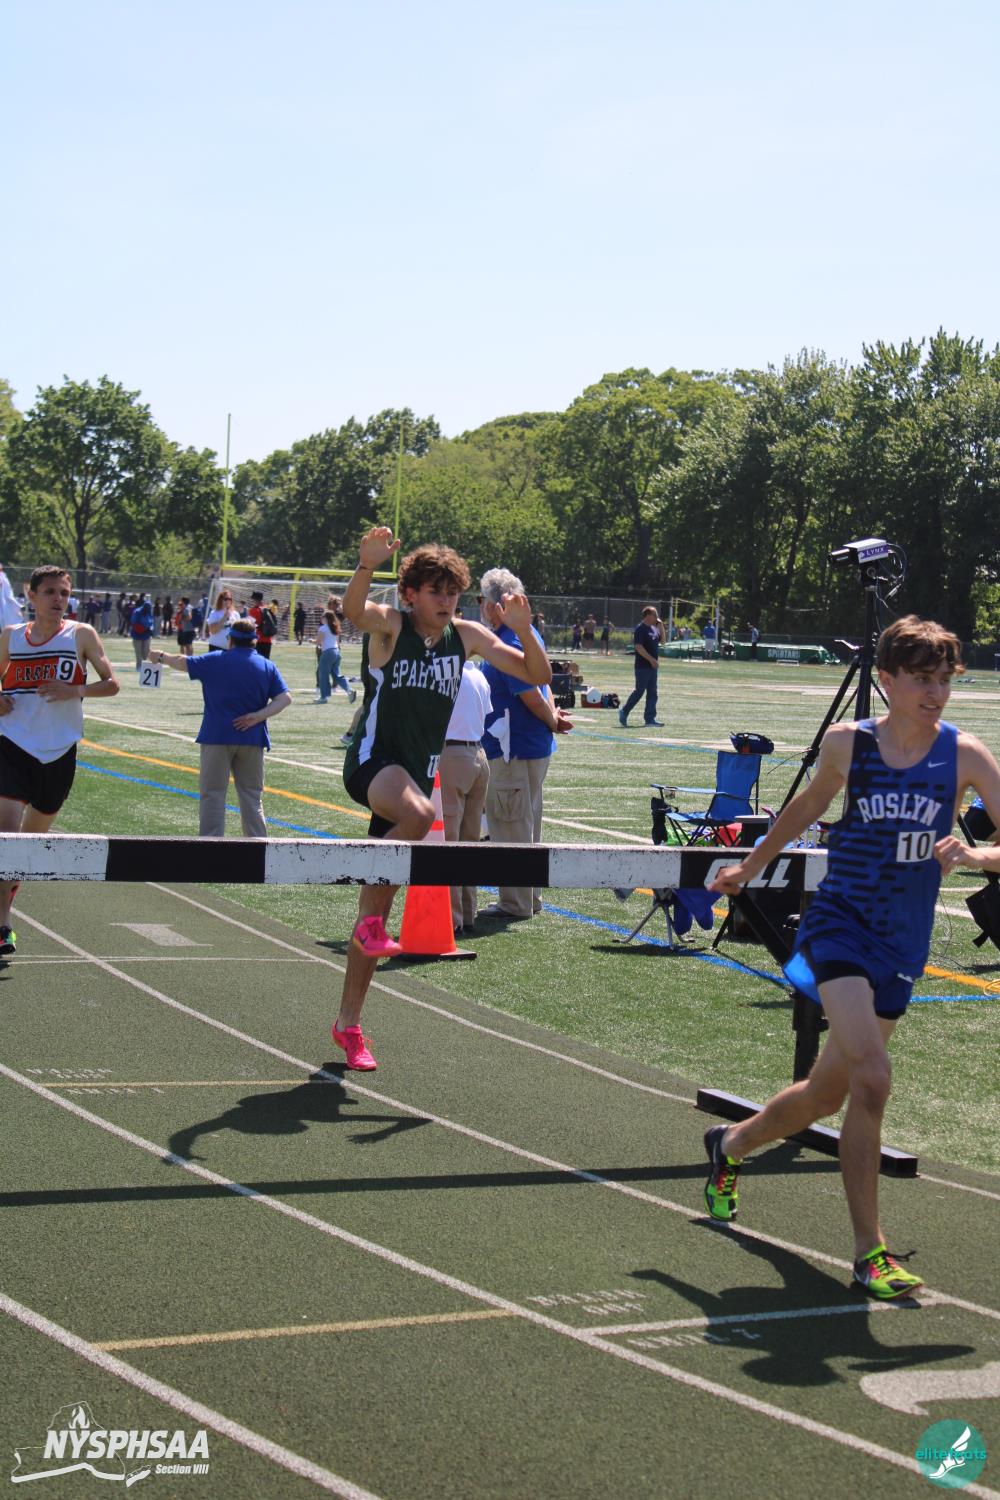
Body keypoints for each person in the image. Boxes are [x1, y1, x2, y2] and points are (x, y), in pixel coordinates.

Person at [703, 615, 1000, 1300]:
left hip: (903, 942)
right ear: (887, 680)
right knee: (873, 1078)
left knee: (828, 1093)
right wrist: (748, 867)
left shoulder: (965, 755)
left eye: (944, 680)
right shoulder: (849, 744)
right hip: (839, 927)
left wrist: (976, 854)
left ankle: (731, 1145)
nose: (935, 693)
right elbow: (804, 809)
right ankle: (871, 1254)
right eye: (921, 680)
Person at [336, 527, 551, 1071]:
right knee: (421, 814)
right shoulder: (392, 626)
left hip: (412, 776)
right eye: (436, 591)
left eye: (453, 592)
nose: (447, 601)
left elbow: (537, 674)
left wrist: (524, 630)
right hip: (372, 764)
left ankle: (349, 1025)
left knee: (376, 911)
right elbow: (355, 612)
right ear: (410, 594)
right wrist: (366, 565)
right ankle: (370, 923)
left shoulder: (468, 635)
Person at [0, 565, 119, 954]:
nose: (58, 599)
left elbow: (112, 684)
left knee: (30, 845)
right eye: (50, 592)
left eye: (64, 593)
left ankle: (5, 903)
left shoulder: (80, 634)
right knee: (8, 840)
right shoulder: (11, 636)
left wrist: (75, 690)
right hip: (13, 745)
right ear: (31, 595)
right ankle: (3, 924)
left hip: (58, 752)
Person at [479, 567, 573, 922]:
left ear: (494, 606)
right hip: (527, 745)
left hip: (513, 748)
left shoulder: (507, 640)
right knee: (526, 823)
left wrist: (552, 719)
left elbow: (532, 694)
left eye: (482, 599)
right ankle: (528, 897)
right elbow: (543, 685)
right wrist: (553, 716)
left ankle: (516, 902)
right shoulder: (526, 633)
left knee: (510, 825)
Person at [150, 620, 291, 837]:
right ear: (254, 641)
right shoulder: (266, 665)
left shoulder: (215, 660)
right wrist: (257, 716)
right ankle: (258, 846)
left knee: (213, 795)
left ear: (230, 639)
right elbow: (284, 699)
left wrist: (161, 656)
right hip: (252, 738)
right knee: (252, 797)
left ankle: (211, 846)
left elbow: (182, 662)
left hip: (216, 736)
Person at [439, 659, 492, 935]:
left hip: (453, 753)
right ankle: (468, 914)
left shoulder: (447, 673)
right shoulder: (479, 676)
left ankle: (452, 919)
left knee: (449, 842)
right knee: (470, 841)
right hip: (478, 755)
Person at [618, 606, 666, 728]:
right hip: (642, 666)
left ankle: (650, 719)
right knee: (639, 691)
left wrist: (661, 626)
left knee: (653, 693)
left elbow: (663, 641)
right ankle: (624, 711)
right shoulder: (641, 629)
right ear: (648, 616)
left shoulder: (654, 629)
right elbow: (638, 647)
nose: (657, 617)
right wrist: (651, 660)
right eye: (655, 615)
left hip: (652, 667)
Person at [313, 606, 356, 704]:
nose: (321, 618)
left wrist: (311, 641)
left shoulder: (323, 628)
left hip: (328, 653)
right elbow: (335, 642)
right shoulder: (335, 627)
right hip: (336, 652)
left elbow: (318, 642)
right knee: (336, 675)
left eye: (322, 617)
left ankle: (323, 697)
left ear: (326, 618)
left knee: (323, 674)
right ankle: (349, 690)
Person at [129, 592, 155, 670]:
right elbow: (133, 622)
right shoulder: (137, 612)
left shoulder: (149, 612)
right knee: (138, 652)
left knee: (145, 653)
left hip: (146, 634)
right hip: (137, 634)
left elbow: (151, 622)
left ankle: (148, 664)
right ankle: (139, 667)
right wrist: (141, 628)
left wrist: (151, 628)